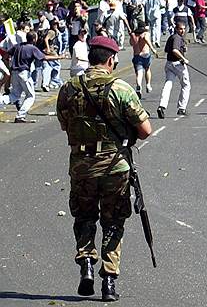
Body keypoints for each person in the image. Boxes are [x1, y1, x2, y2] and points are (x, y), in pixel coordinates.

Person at [56, 36, 152, 301]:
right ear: (111, 59)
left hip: (82, 166)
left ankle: (86, 262)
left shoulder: (68, 88)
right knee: (113, 222)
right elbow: (145, 130)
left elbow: (65, 125)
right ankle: (109, 280)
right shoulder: (120, 88)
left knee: (84, 217)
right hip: (114, 166)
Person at [8, 31, 61, 123]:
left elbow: (7, 54)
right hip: (24, 73)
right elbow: (44, 57)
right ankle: (20, 115)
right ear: (33, 39)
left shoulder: (18, 46)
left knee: (14, 95)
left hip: (14, 72)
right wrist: (59, 57)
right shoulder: (32, 48)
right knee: (30, 96)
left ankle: (1, 100)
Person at [157, 21, 191, 119]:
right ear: (176, 28)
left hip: (169, 64)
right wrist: (183, 59)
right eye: (180, 29)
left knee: (168, 84)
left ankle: (162, 106)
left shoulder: (171, 37)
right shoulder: (177, 37)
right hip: (178, 64)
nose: (183, 31)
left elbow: (167, 50)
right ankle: (182, 108)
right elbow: (174, 50)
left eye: (184, 29)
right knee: (186, 85)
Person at [129, 27, 158, 99]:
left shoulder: (133, 35)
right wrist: (153, 49)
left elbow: (131, 43)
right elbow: (146, 40)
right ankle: (148, 84)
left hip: (137, 55)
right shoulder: (145, 34)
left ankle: (139, 85)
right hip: (145, 55)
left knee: (139, 73)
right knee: (147, 69)